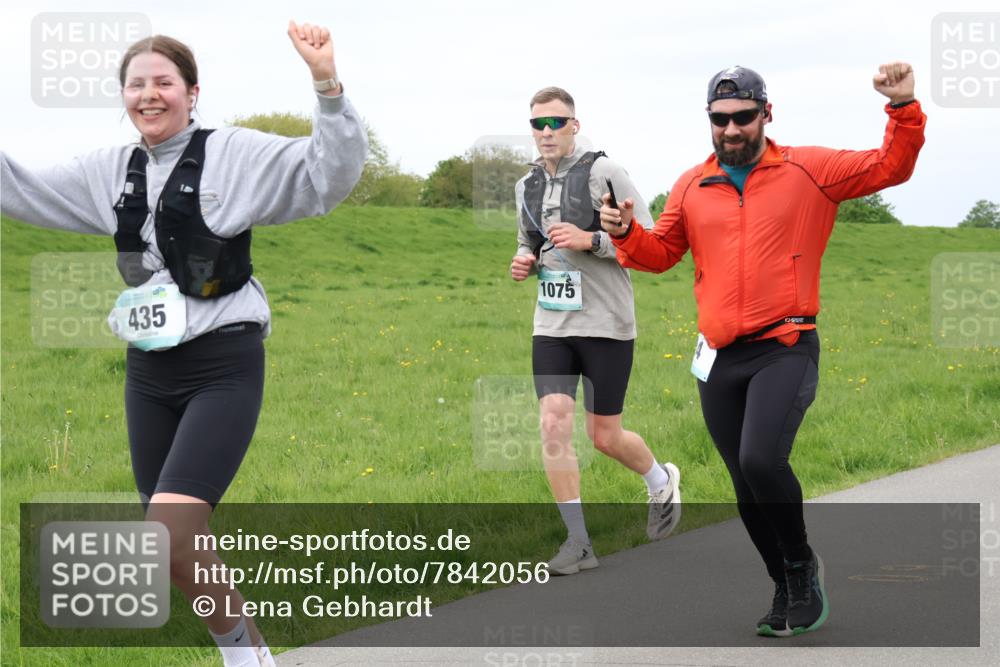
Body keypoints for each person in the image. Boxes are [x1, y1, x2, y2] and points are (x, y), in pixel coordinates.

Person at [1, 21, 366, 666]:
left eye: (163, 82)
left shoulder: (237, 154)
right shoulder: (108, 171)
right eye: (135, 85)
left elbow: (325, 176)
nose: (149, 94)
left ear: (192, 92)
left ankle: (238, 658)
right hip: (148, 372)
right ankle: (249, 647)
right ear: (124, 97)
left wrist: (326, 86)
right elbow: (18, 187)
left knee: (167, 532)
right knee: (175, 544)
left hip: (223, 363)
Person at [600, 63, 925, 635]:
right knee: (745, 487)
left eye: (743, 117)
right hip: (720, 358)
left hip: (786, 345)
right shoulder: (691, 185)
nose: (731, 129)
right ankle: (782, 582)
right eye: (720, 119)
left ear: (765, 114)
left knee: (760, 460)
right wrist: (626, 234)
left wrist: (902, 108)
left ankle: (801, 566)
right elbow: (661, 254)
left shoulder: (809, 169)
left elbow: (890, 167)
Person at [510, 86, 681, 576]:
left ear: (574, 125)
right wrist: (523, 262)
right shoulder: (526, 186)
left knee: (604, 435)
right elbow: (529, 242)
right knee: (553, 423)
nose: (547, 133)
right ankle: (578, 543)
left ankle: (659, 478)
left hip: (606, 322)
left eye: (556, 122)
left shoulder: (605, 172)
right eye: (538, 124)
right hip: (552, 325)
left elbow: (647, 239)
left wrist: (591, 240)